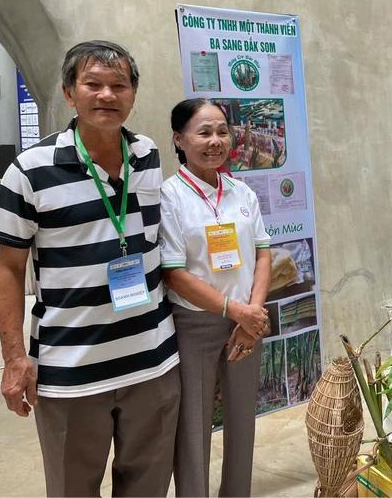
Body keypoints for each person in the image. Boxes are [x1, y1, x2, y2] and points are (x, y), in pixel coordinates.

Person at [0, 40, 180, 497]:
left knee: (148, 487)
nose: (107, 95)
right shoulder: (29, 170)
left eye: (119, 85)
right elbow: (8, 271)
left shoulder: (147, 155)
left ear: (133, 94)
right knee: (73, 488)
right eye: (93, 84)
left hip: (153, 362)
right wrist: (14, 360)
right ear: (70, 93)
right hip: (72, 370)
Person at [159, 98, 272, 497]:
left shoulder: (242, 193)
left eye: (222, 131)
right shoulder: (169, 196)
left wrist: (251, 314)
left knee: (243, 420)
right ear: (179, 138)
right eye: (203, 132)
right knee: (193, 428)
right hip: (195, 326)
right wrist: (235, 309)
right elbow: (173, 273)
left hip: (246, 324)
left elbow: (263, 253)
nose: (215, 141)